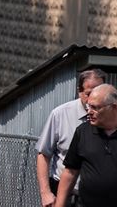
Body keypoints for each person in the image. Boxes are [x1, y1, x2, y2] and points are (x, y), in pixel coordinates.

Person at [38, 68, 107, 206]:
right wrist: (45, 193)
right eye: (89, 93)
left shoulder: (109, 118)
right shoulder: (60, 115)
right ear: (79, 91)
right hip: (64, 194)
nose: (93, 98)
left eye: (98, 92)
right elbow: (43, 154)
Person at [55, 83, 117, 206]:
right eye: (88, 106)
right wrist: (59, 204)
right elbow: (70, 172)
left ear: (114, 107)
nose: (89, 112)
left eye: (95, 107)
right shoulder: (82, 132)